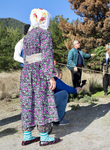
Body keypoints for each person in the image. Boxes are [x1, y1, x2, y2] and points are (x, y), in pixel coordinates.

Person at [20, 8, 61, 146]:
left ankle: (27, 135)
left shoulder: (28, 36)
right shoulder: (44, 34)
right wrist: (50, 76)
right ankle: (44, 137)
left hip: (26, 73)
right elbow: (47, 56)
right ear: (44, 19)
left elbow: (26, 57)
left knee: (28, 103)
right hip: (39, 72)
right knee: (41, 102)